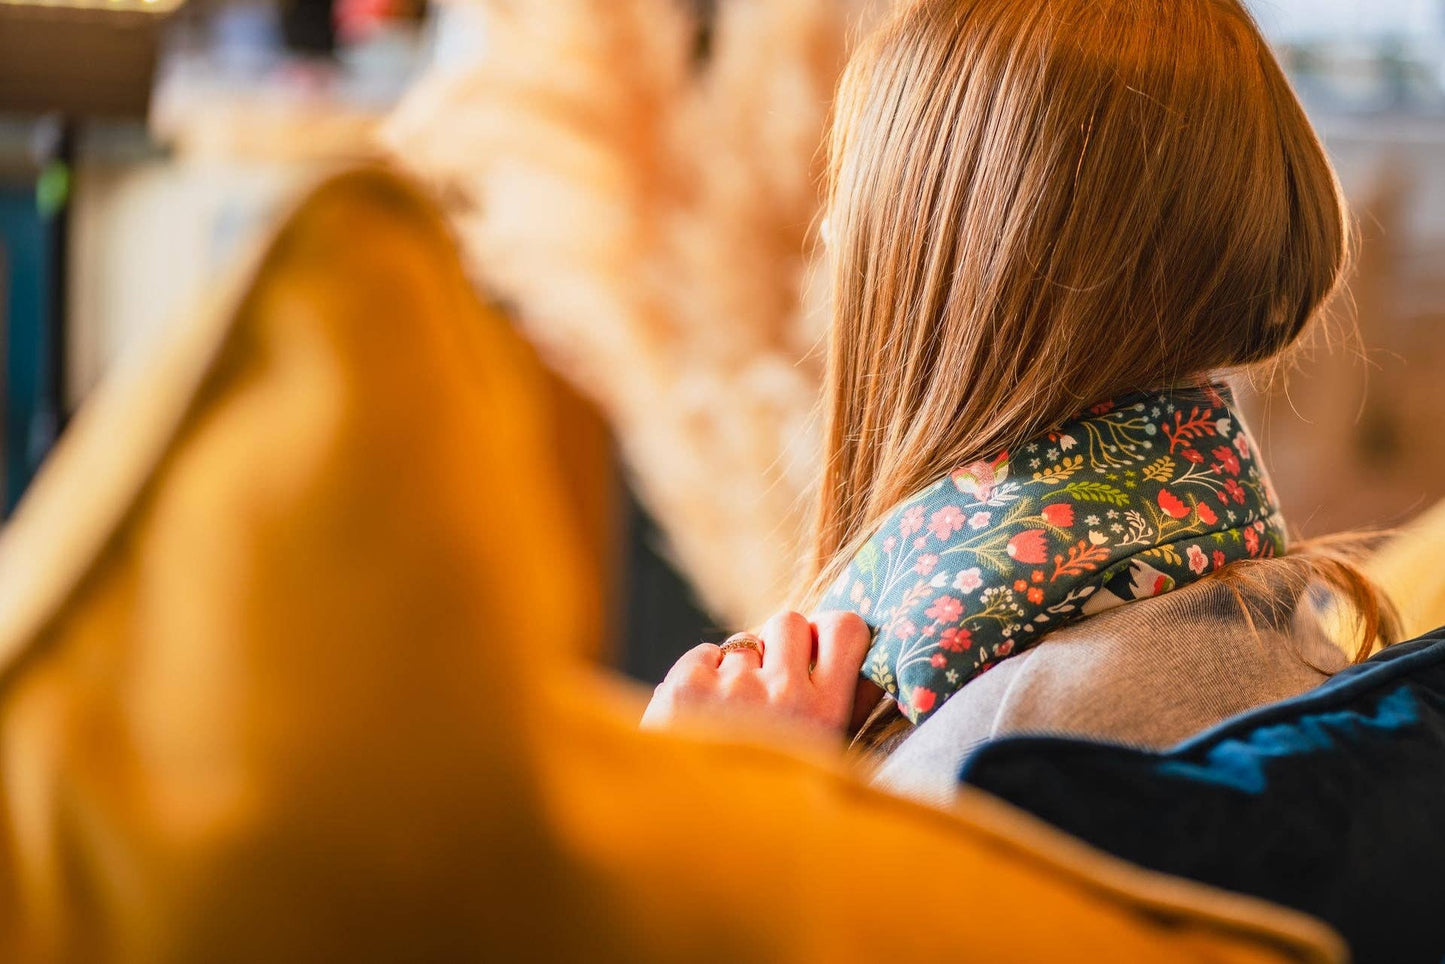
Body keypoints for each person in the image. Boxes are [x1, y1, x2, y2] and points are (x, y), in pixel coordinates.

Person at [643, 0, 1398, 782]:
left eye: (862, 204)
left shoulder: (1027, 736)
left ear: (948, 256)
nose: (832, 233)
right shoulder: (1259, 628)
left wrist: (707, 796)